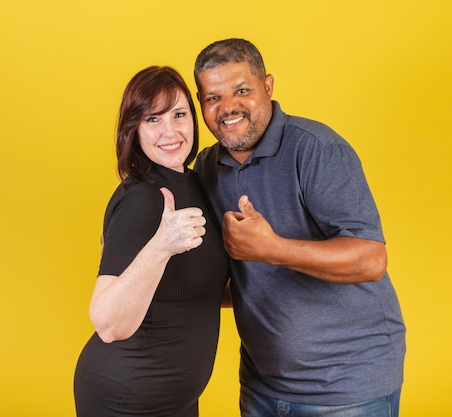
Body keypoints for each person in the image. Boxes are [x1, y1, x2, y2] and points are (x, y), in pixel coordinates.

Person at [192, 38, 407, 417]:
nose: (227, 108)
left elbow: (372, 260)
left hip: (348, 389)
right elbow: (228, 281)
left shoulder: (316, 150)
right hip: (262, 385)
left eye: (242, 90)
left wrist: (271, 249)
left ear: (268, 86)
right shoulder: (207, 168)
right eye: (213, 98)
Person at [73, 66, 230, 417]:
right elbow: (108, 323)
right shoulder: (141, 198)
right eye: (153, 119)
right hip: (127, 399)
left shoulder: (193, 183)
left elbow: (191, 288)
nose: (170, 131)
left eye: (179, 114)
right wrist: (161, 246)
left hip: (176, 399)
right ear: (134, 131)